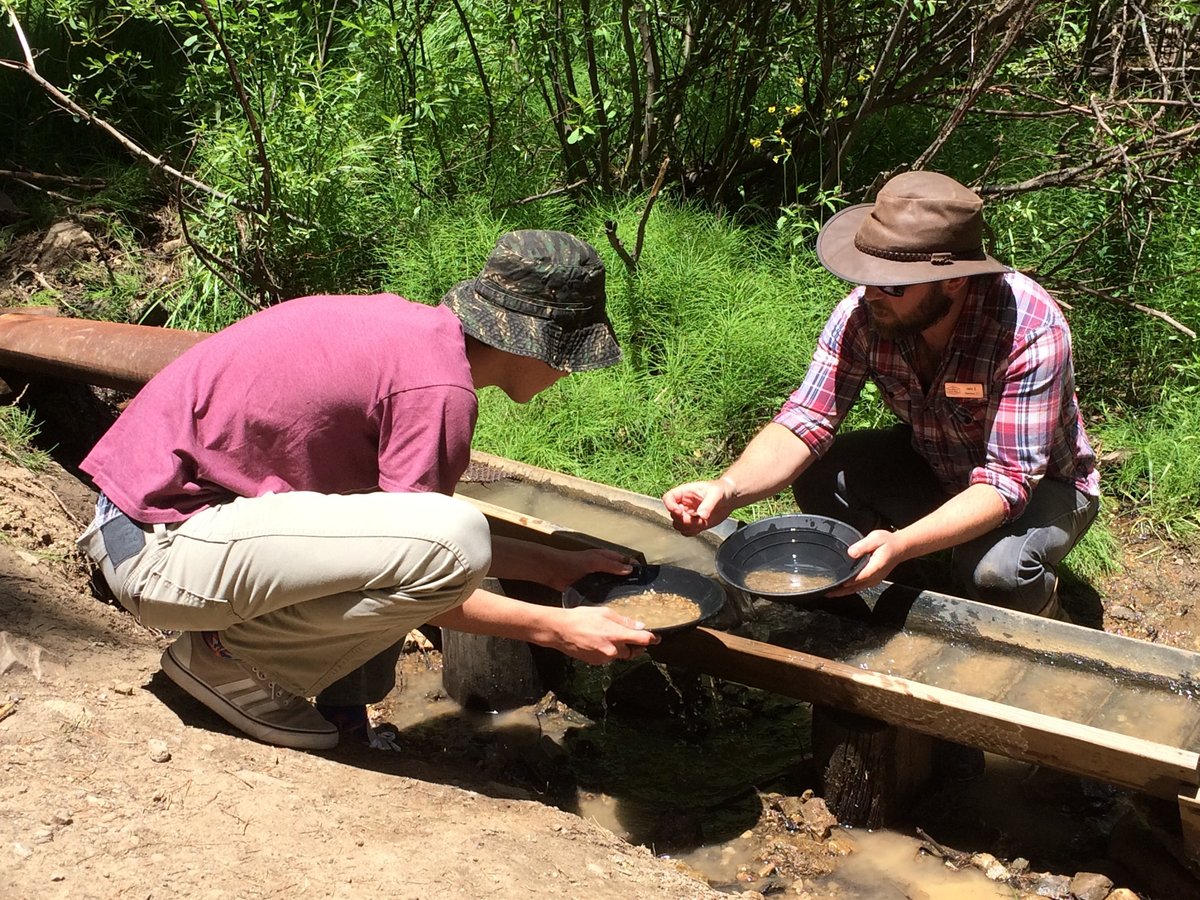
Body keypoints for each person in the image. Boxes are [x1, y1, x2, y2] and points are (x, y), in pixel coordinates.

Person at [77, 229, 658, 752]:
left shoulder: (405, 333)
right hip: (161, 551)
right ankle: (225, 660)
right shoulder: (439, 390)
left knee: (411, 531)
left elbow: (389, 538)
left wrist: (556, 566)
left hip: (137, 524)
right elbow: (438, 562)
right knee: (448, 535)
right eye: (568, 356)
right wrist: (557, 628)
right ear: (533, 340)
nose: (568, 372)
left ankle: (339, 715)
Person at [663, 171, 1099, 619]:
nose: (870, 293)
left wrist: (903, 543)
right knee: (820, 475)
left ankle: (1047, 618)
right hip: (935, 463)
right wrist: (727, 489)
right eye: (866, 274)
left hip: (1049, 485)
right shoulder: (866, 313)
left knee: (998, 574)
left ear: (953, 281)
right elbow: (806, 418)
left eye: (892, 283)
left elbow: (1008, 480)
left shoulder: (1028, 329)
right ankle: (879, 587)